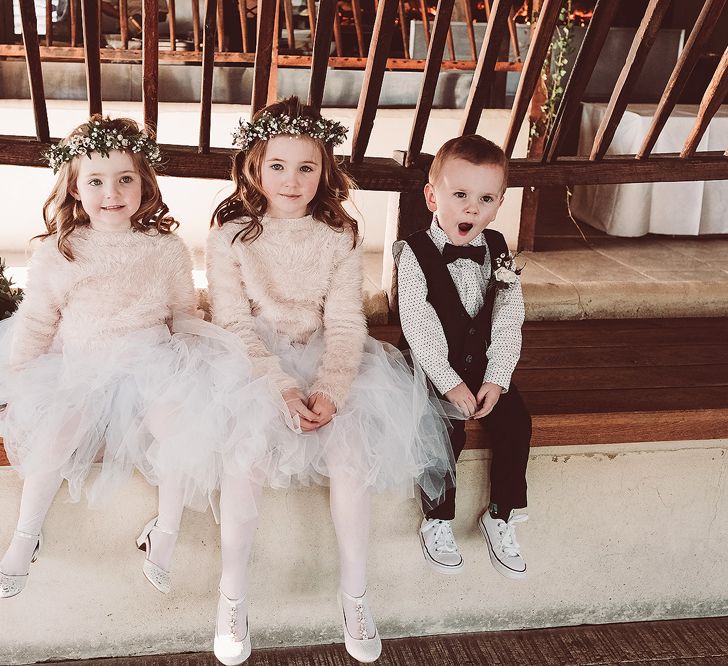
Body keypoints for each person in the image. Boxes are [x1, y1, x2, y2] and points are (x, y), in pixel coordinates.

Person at [206, 96, 454, 665]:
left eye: (307, 167)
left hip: (328, 357)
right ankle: (232, 598)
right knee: (244, 455)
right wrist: (281, 388)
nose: (292, 181)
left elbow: (346, 323)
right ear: (254, 167)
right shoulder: (231, 237)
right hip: (252, 361)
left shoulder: (338, 235)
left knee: (349, 454)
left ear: (325, 171)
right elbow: (233, 322)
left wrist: (331, 390)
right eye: (278, 166)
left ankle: (355, 596)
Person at [0, 116, 274, 600]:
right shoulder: (60, 250)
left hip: (152, 361)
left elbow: (183, 313)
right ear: (75, 187)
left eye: (126, 178)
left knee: (177, 421)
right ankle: (27, 534)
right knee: (59, 426)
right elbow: (40, 322)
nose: (113, 192)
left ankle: (164, 531)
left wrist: (194, 367)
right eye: (97, 181)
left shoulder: (164, 247)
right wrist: (18, 380)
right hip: (82, 363)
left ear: (144, 183)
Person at [395, 134, 531, 580]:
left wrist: (497, 377)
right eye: (460, 195)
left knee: (516, 421)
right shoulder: (413, 253)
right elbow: (420, 326)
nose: (472, 209)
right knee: (442, 427)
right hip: (432, 366)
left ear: (499, 203)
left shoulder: (497, 248)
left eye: (485, 198)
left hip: (483, 367)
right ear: (433, 197)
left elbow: (510, 315)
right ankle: (437, 517)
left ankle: (501, 513)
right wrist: (449, 381)